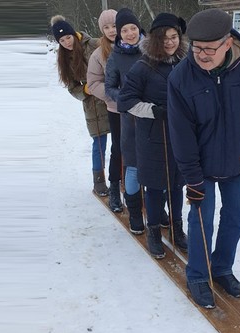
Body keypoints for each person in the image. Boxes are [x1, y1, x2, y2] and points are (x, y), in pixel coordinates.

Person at [167, 9, 240, 309]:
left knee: (234, 217)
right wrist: (192, 177)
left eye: (209, 49)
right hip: (201, 166)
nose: (200, 55)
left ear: (228, 43)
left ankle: (222, 267)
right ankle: (199, 275)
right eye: (196, 47)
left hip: (238, 161)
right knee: (202, 221)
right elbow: (181, 135)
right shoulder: (180, 78)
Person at [118, 13, 188, 258]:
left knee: (177, 184)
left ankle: (177, 228)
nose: (170, 42)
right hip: (152, 137)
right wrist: (155, 111)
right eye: (164, 38)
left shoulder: (185, 63)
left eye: (174, 37)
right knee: (156, 187)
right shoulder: (143, 66)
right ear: (155, 39)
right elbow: (125, 102)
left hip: (181, 137)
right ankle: (155, 231)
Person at [50, 15, 110, 196]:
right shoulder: (64, 59)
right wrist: (85, 90)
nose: (66, 42)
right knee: (99, 142)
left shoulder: (94, 44)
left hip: (110, 97)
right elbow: (72, 88)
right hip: (92, 104)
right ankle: (99, 180)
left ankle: (120, 177)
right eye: (61, 40)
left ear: (74, 34)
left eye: (68, 37)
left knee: (121, 142)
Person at [105, 8, 146, 234]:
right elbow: (109, 87)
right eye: (124, 30)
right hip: (130, 119)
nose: (130, 33)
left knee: (154, 166)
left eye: (133, 28)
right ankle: (135, 214)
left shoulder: (152, 51)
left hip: (153, 117)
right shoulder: (115, 57)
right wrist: (127, 99)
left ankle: (155, 209)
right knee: (132, 167)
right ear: (119, 34)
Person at [87, 9, 123, 212]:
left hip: (139, 109)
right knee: (118, 150)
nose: (111, 30)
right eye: (106, 27)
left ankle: (135, 189)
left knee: (138, 150)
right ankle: (115, 191)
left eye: (115, 26)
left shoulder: (136, 45)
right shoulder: (99, 53)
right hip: (116, 109)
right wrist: (116, 96)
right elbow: (93, 83)